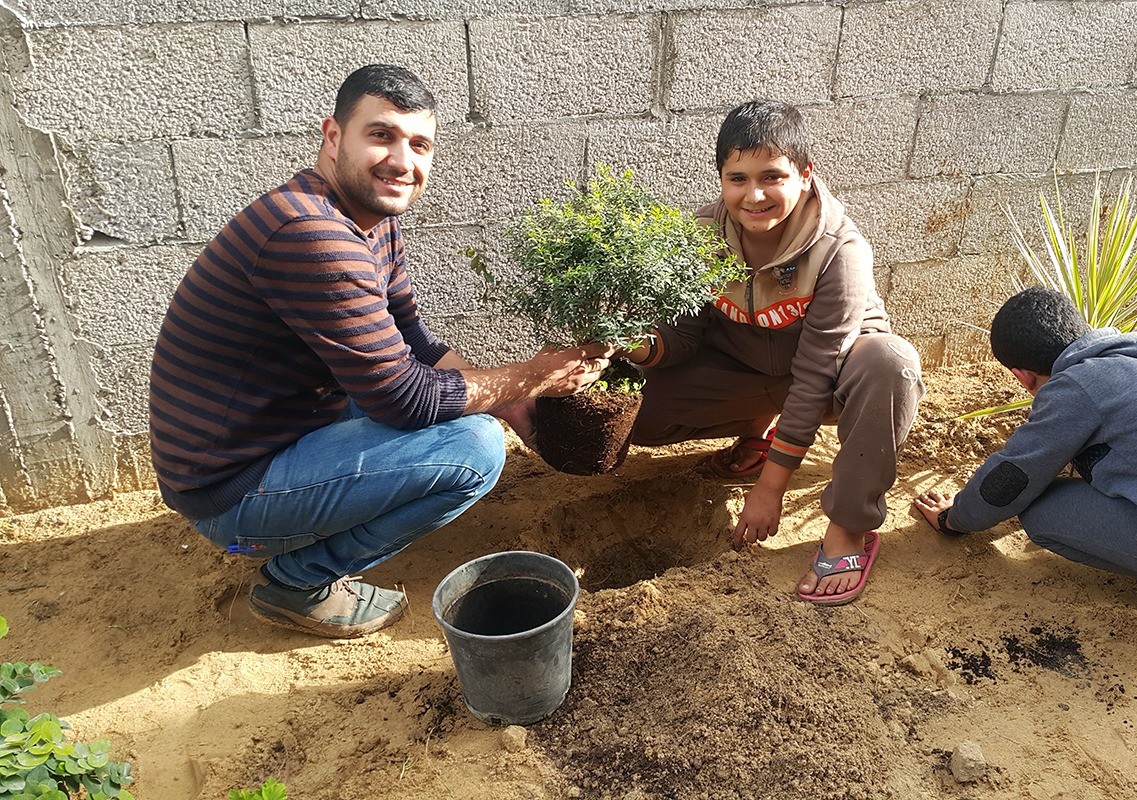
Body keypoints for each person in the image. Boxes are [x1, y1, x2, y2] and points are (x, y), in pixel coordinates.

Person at [149, 64, 611, 639]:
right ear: (333, 136)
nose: (402, 161)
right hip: (231, 499)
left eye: (419, 145)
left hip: (271, 435)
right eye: (381, 135)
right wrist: (532, 378)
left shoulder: (366, 220)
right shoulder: (310, 234)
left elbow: (413, 342)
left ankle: (303, 541)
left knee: (468, 414)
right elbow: (403, 399)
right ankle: (299, 581)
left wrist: (514, 404)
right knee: (475, 449)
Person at [624, 99, 924, 605]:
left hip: (829, 383)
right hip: (747, 373)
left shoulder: (838, 251)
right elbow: (685, 336)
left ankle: (850, 527)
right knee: (636, 410)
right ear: (721, 178)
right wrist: (637, 344)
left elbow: (814, 376)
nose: (754, 194)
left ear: (804, 176)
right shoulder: (701, 235)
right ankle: (757, 435)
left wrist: (769, 490)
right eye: (737, 178)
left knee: (890, 364)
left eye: (772, 177)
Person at [914, 286, 1137, 637]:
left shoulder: (1078, 387)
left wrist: (953, 519)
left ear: (1022, 375)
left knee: (1041, 512)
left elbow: (1013, 476)